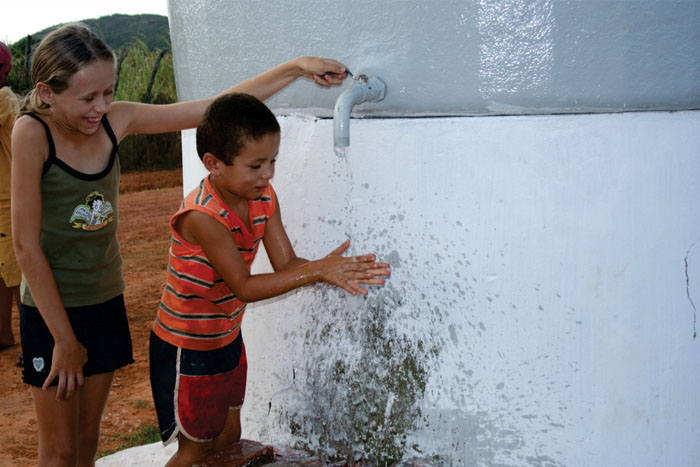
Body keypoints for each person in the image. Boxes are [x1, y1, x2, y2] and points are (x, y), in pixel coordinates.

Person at [10, 23, 350, 466]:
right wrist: (63, 338)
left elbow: (213, 110)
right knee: (59, 452)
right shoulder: (32, 132)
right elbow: (25, 246)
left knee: (86, 443)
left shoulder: (115, 121)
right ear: (47, 93)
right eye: (88, 97)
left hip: (104, 298)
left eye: (109, 92)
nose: (102, 106)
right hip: (51, 308)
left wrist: (295, 68)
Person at [149, 93, 391, 466]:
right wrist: (316, 271)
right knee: (196, 449)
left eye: (273, 160)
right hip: (188, 346)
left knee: (228, 437)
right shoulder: (203, 216)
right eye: (256, 165)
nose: (269, 174)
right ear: (213, 164)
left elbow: (287, 263)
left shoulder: (263, 197)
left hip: (226, 335)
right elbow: (244, 287)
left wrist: (331, 269)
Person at [0, 41, 21, 350]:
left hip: (8, 201)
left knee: (18, 275)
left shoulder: (3, 98)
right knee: (4, 273)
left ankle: (35, 341)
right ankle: (3, 334)